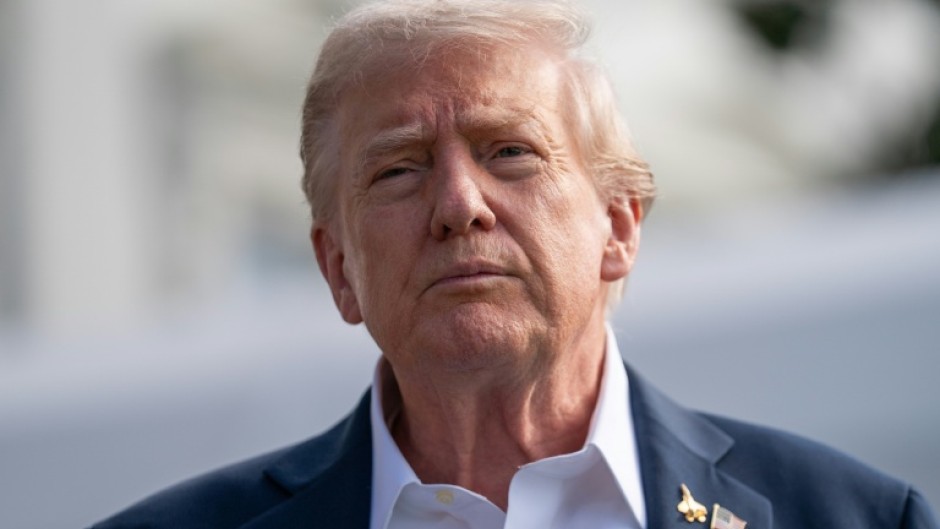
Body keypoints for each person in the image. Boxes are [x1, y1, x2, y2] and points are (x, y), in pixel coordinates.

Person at [91, 0, 938, 528]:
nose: (460, 203)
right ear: (337, 266)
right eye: (399, 168)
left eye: (510, 152)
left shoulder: (849, 517)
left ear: (619, 226)